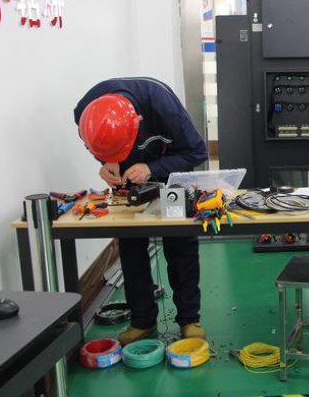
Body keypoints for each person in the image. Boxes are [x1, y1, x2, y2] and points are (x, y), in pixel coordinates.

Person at [74, 77, 208, 344]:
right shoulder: (85, 112)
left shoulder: (163, 107)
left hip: (171, 174)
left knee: (180, 246)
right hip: (127, 179)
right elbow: (94, 143)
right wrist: (107, 160)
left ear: (138, 120)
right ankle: (142, 321)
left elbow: (197, 152)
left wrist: (151, 168)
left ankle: (188, 319)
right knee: (131, 247)